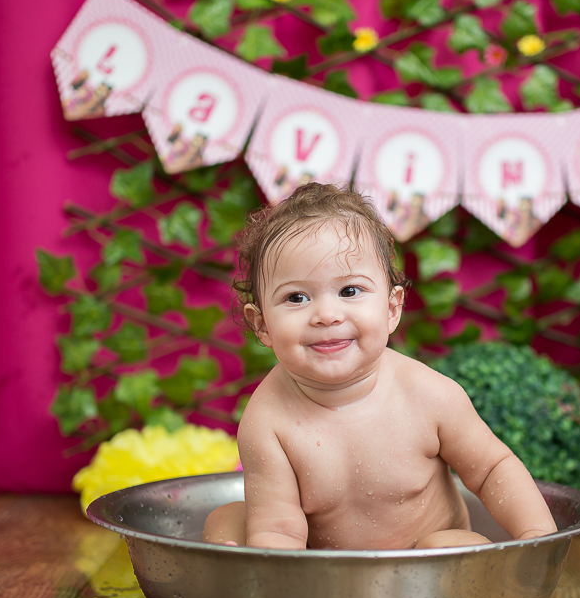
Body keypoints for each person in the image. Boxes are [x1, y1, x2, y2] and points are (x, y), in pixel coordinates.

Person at [203, 183, 558, 550]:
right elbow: (279, 529)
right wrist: (280, 577)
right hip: (321, 575)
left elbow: (491, 469)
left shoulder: (429, 394)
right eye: (297, 297)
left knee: (448, 545)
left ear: (392, 308)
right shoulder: (267, 420)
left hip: (426, 567)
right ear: (262, 325)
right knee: (228, 519)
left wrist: (536, 536)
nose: (326, 315)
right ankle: (243, 589)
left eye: (349, 291)